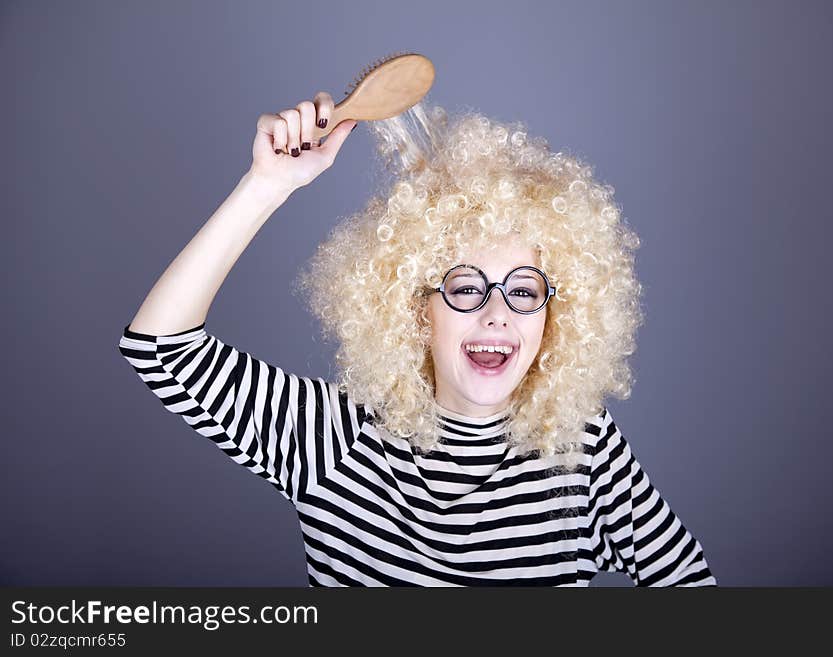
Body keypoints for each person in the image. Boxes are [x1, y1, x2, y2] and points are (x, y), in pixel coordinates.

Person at [118, 91, 717, 587]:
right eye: (464, 287)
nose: (497, 314)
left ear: (552, 316)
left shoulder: (582, 444)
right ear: (415, 309)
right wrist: (267, 184)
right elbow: (159, 346)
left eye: (524, 290)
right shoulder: (335, 438)